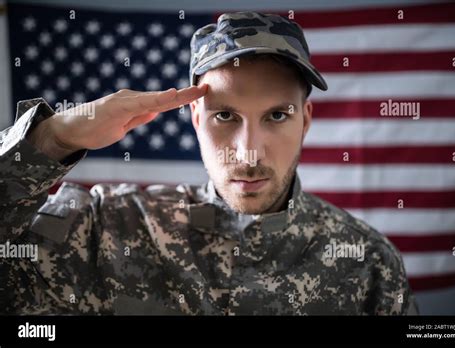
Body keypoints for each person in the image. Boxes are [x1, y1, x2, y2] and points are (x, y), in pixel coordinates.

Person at [0, 11, 418, 315]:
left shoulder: (367, 264)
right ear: (196, 119)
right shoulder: (106, 230)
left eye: (276, 116)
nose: (249, 151)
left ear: (305, 121)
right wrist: (51, 138)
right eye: (225, 116)